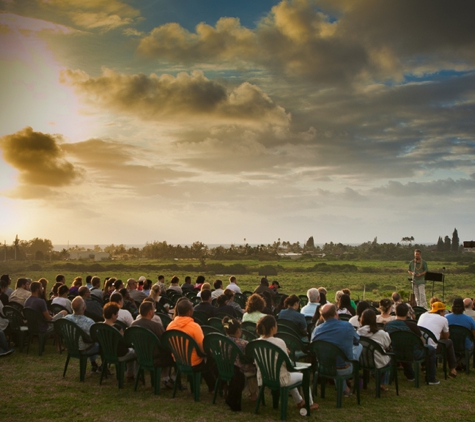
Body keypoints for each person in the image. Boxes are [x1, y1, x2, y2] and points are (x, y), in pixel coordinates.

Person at [256, 315, 319, 412]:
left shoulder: (255, 343)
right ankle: (310, 403)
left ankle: (299, 401)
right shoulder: (279, 342)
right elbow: (288, 365)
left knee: (289, 376)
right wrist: (287, 354)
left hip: (264, 378)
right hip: (280, 378)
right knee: (301, 376)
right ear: (273, 327)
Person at [166, 299, 217, 392]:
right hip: (194, 362)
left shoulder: (170, 325)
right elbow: (202, 348)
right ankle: (213, 386)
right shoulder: (194, 327)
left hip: (178, 360)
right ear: (189, 312)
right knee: (210, 358)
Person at [311, 304, 362, 397]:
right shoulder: (347, 326)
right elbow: (357, 340)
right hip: (343, 368)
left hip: (323, 366)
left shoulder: (317, 330)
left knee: (334, 355)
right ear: (336, 313)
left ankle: (345, 388)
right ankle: (348, 384)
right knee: (359, 346)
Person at [131, 301, 174, 388]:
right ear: (150, 312)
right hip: (156, 357)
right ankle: (167, 378)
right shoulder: (155, 325)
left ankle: (166, 378)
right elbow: (165, 341)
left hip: (140, 355)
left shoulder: (133, 325)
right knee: (172, 355)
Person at [222, 316, 258, 404]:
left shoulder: (221, 341)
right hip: (239, 370)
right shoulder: (244, 343)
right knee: (253, 370)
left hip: (224, 368)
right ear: (238, 331)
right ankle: (253, 394)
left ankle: (227, 387)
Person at [417, 301, 457, 379]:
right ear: (441, 311)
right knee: (449, 342)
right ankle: (453, 369)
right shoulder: (443, 319)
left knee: (429, 340)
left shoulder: (423, 315)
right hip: (432, 349)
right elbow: (446, 337)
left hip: (420, 345)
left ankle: (425, 366)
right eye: (444, 311)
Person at [357, 309, 391, 391]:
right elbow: (387, 344)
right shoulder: (381, 333)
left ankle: (372, 375)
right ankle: (381, 383)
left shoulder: (358, 332)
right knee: (388, 359)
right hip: (377, 362)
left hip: (362, 360)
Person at [64, 296, 101, 372]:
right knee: (101, 344)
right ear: (84, 308)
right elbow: (96, 337)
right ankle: (103, 367)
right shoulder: (89, 322)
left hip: (71, 347)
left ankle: (94, 364)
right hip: (84, 349)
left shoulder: (66, 319)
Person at [103, 302, 136, 379]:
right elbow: (125, 341)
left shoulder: (100, 327)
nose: (117, 316)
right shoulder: (117, 328)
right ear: (113, 315)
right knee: (135, 352)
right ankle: (131, 373)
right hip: (120, 354)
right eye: (116, 314)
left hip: (106, 353)